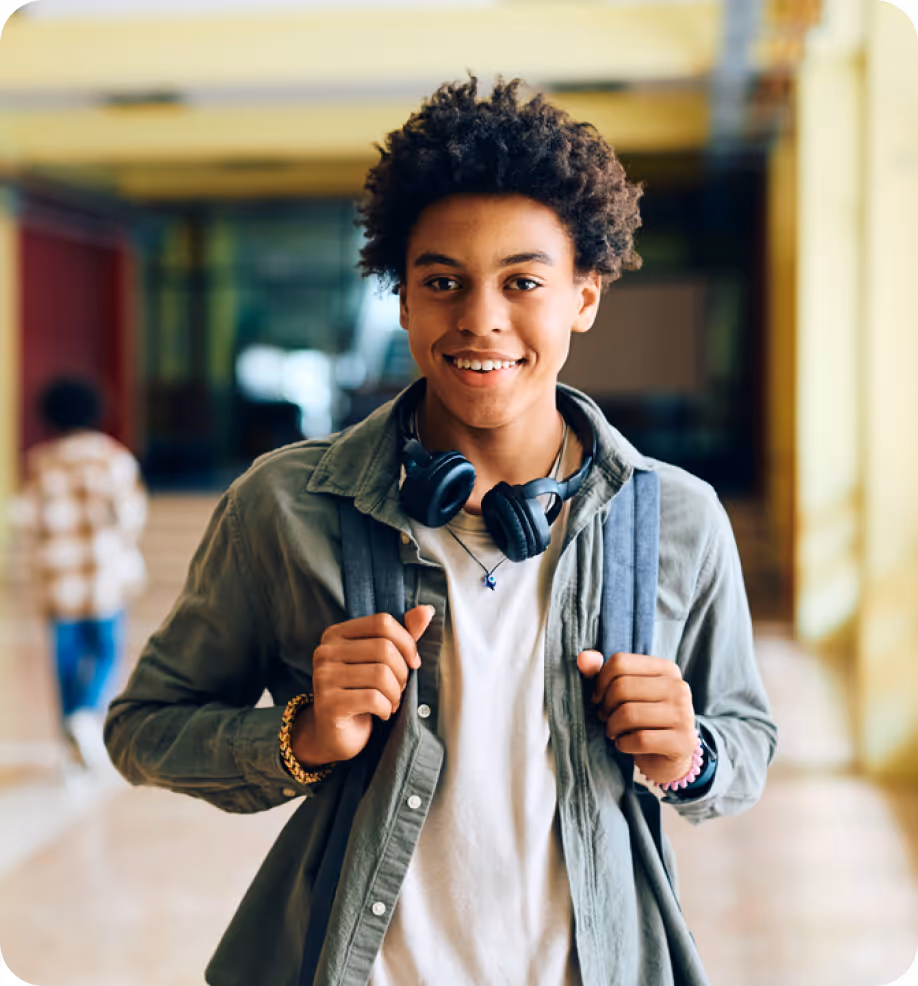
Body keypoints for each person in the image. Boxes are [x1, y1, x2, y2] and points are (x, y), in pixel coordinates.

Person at [105, 78, 777, 986]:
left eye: (523, 282)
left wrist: (689, 755)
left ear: (584, 296)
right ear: (403, 301)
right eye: (442, 282)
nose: (480, 318)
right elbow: (144, 728)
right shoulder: (286, 505)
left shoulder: (676, 517)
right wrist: (302, 737)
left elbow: (746, 741)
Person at [20, 377, 147, 768]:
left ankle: (68, 739)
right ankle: (86, 712)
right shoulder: (112, 457)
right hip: (103, 573)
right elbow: (130, 514)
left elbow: (30, 518)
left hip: (58, 576)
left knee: (65, 659)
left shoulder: (41, 461)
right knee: (106, 651)